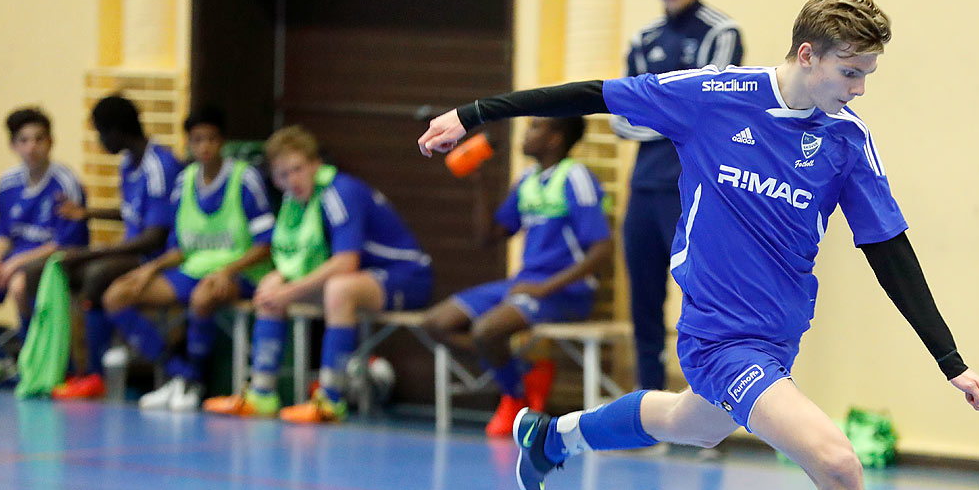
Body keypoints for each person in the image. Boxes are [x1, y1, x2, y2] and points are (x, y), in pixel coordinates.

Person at [418, 0, 979, 490]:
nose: (860, 89)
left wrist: (949, 360)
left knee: (693, 424)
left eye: (868, 74)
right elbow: (592, 94)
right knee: (836, 463)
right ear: (807, 55)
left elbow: (890, 251)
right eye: (851, 72)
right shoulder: (711, 94)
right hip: (719, 336)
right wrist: (474, 116)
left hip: (777, 335)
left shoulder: (847, 140)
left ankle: (553, 436)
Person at [204, 124, 432, 423]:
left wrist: (289, 291)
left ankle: (330, 400)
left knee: (337, 289)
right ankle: (262, 393)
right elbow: (296, 260)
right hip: (361, 279)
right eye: (283, 175)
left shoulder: (340, 192)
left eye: (297, 169)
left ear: (315, 164)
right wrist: (278, 285)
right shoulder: (294, 202)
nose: (292, 180)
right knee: (270, 283)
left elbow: (346, 262)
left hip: (406, 276)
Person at [420, 116, 612, 437]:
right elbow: (489, 237)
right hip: (525, 284)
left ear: (555, 138)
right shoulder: (527, 180)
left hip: (566, 291)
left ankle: (515, 398)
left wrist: (544, 287)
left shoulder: (576, 177)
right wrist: (478, 180)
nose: (525, 134)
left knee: (486, 331)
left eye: (535, 127)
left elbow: (602, 249)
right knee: (435, 324)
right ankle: (523, 374)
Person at [611, 0, 744, 393]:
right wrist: (673, 118)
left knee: (701, 297)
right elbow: (623, 120)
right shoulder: (642, 40)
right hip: (644, 186)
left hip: (693, 189)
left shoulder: (720, 33)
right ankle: (649, 409)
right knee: (643, 303)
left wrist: (664, 115)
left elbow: (707, 113)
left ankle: (708, 408)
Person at [100, 107, 274, 411]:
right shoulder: (185, 181)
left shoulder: (245, 179)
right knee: (118, 295)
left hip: (241, 274)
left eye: (211, 139)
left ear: (223, 142)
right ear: (189, 144)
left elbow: (266, 244)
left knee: (202, 297)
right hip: (193, 270)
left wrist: (227, 270)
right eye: (197, 140)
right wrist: (149, 269)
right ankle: (175, 372)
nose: (204, 146)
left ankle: (194, 382)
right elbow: (180, 247)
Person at [51, 94, 181, 400]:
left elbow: (155, 237)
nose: (99, 140)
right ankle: (70, 368)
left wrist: (92, 251)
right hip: (136, 251)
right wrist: (89, 213)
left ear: (115, 130)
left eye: (100, 132)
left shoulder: (159, 165)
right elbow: (133, 211)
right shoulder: (127, 163)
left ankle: (98, 375)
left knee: (96, 273)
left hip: (160, 257)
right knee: (60, 269)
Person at [0, 107, 88, 382]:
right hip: (16, 259)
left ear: (51, 142)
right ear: (13, 145)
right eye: (24, 140)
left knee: (19, 285)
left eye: (39, 139)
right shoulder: (7, 183)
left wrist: (14, 263)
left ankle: (32, 362)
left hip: (57, 261)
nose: (32, 147)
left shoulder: (66, 183)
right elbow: (4, 235)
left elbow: (64, 244)